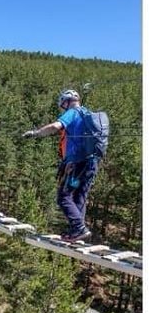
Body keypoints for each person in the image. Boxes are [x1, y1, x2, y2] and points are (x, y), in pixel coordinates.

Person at [23, 89, 101, 241]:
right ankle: (77, 230)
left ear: (67, 101)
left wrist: (35, 133)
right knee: (79, 196)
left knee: (64, 197)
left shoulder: (73, 112)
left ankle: (78, 227)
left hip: (77, 164)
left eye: (63, 104)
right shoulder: (89, 115)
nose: (63, 107)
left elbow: (55, 126)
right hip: (91, 164)